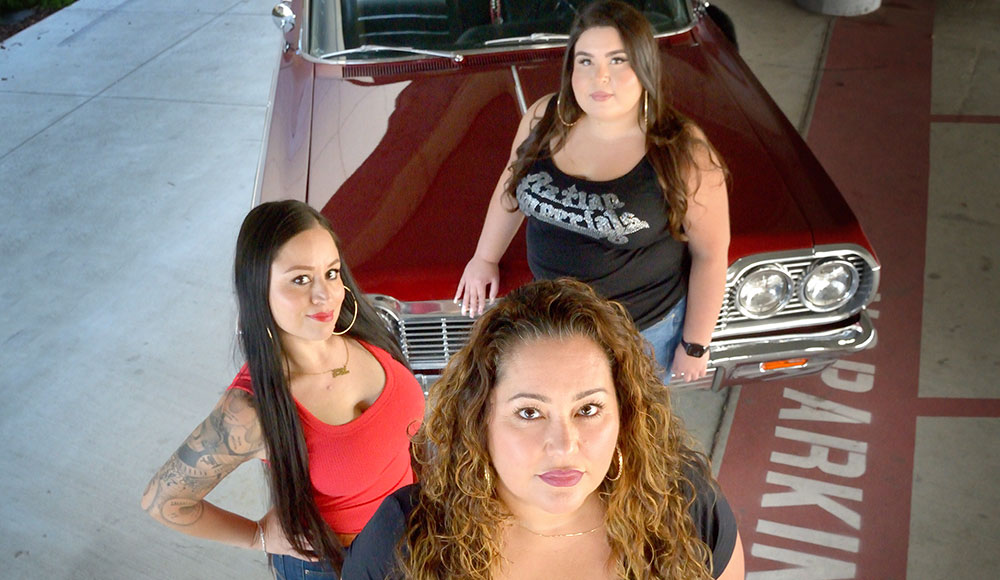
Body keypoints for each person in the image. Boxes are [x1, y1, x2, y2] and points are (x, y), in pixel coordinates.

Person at [345, 278, 744, 580]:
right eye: (530, 413)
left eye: (588, 409)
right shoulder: (402, 538)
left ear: (625, 413)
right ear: (480, 419)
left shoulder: (686, 504)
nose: (564, 445)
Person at [141, 200, 425, 579]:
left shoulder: (363, 334)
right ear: (259, 290)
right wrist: (256, 535)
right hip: (340, 566)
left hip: (416, 536)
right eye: (300, 279)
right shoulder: (252, 410)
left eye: (331, 272)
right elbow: (163, 502)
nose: (325, 296)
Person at [454, 0, 730, 383]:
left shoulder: (681, 149)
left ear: (645, 67)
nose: (600, 77)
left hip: (641, 336)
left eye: (618, 60)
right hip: (554, 327)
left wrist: (695, 344)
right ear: (570, 69)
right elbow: (511, 186)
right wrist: (484, 257)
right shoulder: (543, 118)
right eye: (585, 61)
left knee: (632, 439)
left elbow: (711, 254)